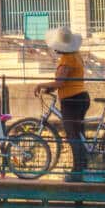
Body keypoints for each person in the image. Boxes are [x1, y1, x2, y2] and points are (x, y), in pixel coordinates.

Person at [41, 27, 88, 180]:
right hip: (79, 97)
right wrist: (50, 87)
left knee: (72, 135)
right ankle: (83, 167)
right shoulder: (75, 55)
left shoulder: (67, 59)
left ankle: (77, 172)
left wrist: (40, 85)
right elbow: (65, 81)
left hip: (72, 100)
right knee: (79, 134)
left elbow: (60, 82)